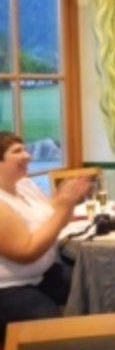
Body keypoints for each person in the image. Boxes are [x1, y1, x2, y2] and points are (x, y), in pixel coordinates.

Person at [0, 132, 90, 340]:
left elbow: (52, 221)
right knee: (52, 330)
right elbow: (26, 251)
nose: (28, 156)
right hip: (9, 288)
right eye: (17, 151)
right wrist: (61, 209)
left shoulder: (25, 185)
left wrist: (67, 203)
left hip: (43, 274)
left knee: (93, 284)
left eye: (24, 149)